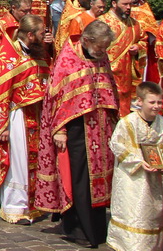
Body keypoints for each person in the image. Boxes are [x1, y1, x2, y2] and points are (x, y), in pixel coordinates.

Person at [34, 18, 120, 248]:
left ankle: (98, 228)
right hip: (76, 129)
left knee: (100, 179)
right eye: (100, 47)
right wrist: (59, 130)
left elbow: (109, 87)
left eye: (105, 48)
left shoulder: (101, 56)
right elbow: (55, 99)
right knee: (79, 179)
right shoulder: (68, 59)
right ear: (88, 40)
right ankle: (80, 229)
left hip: (101, 130)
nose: (103, 52)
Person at [0, 14, 49, 224]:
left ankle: (32, 204)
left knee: (33, 161)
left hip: (35, 115)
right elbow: (0, 94)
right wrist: (2, 125)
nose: (45, 35)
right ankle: (14, 206)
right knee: (18, 163)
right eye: (42, 32)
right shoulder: (8, 57)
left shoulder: (37, 52)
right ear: (31, 35)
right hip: (17, 116)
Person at [107, 81, 163, 251]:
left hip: (152, 177)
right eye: (152, 102)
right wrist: (138, 161)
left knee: (152, 212)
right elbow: (117, 145)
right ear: (140, 101)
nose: (156, 106)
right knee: (133, 210)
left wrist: (162, 160)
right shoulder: (128, 122)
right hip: (131, 178)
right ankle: (129, 244)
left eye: (159, 102)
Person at [102, 0, 145, 115]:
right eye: (124, 4)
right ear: (114, 4)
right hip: (107, 74)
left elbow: (144, 41)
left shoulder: (134, 24)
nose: (128, 7)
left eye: (130, 4)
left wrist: (138, 47)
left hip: (127, 76)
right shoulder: (102, 23)